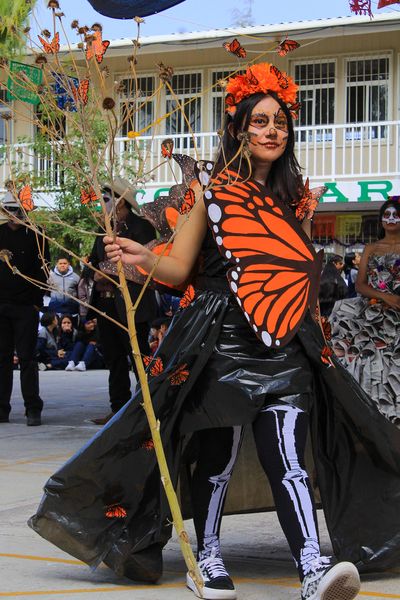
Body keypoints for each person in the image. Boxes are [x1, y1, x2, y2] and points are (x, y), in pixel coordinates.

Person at [30, 64, 400, 600]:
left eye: (281, 122)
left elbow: (290, 274)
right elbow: (180, 267)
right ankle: (205, 557)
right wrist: (139, 258)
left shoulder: (293, 200)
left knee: (290, 457)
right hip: (221, 338)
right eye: (260, 121)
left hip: (285, 343)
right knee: (217, 455)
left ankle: (313, 567)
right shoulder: (209, 191)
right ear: (239, 130)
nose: (272, 130)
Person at [88, 177, 158, 425]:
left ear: (120, 202)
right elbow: (92, 262)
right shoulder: (102, 228)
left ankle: (146, 408)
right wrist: (94, 271)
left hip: (132, 303)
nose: (101, 205)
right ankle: (118, 409)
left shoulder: (141, 228)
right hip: (106, 303)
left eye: (106, 199)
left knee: (138, 356)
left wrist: (106, 270)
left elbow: (146, 263)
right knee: (114, 358)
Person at [330, 197, 400, 425]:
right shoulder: (370, 248)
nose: (390, 219)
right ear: (381, 220)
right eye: (386, 215)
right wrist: (384, 296)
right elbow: (360, 285)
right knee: (370, 364)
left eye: (395, 215)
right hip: (372, 313)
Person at [0, 190, 50, 426]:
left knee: (28, 358)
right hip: (2, 304)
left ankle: (32, 407)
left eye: (16, 209)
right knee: (2, 359)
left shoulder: (36, 235)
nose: (13, 214)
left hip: (25, 305)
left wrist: (36, 301)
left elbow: (44, 270)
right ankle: (2, 408)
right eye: (8, 210)